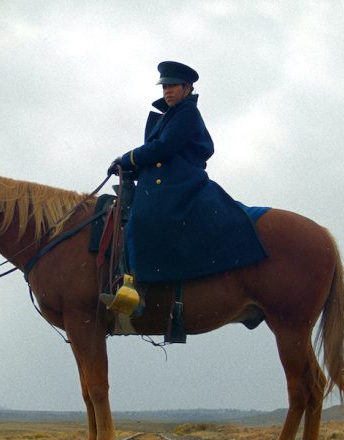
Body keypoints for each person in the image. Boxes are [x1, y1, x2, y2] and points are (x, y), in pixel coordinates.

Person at [107, 61, 267, 287]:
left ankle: (135, 287)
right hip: (165, 181)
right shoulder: (170, 116)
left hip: (178, 182)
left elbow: (165, 147)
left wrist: (127, 158)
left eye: (172, 86)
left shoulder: (187, 111)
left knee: (141, 217)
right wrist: (130, 167)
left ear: (187, 88)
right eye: (164, 87)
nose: (167, 91)